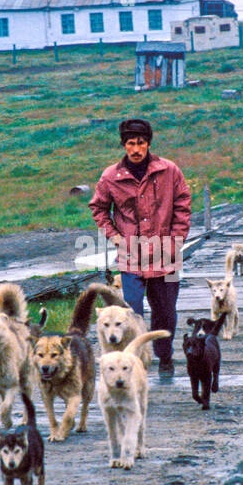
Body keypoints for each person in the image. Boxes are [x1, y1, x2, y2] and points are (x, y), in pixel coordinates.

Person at [89, 118, 191, 374]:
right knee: (131, 313)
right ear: (123, 145)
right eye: (131, 144)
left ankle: (165, 357)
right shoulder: (111, 176)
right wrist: (114, 237)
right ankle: (131, 363)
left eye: (141, 143)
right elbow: (99, 208)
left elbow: (182, 204)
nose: (136, 149)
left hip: (166, 255)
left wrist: (176, 240)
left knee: (166, 312)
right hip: (130, 257)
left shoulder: (169, 170)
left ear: (148, 144)